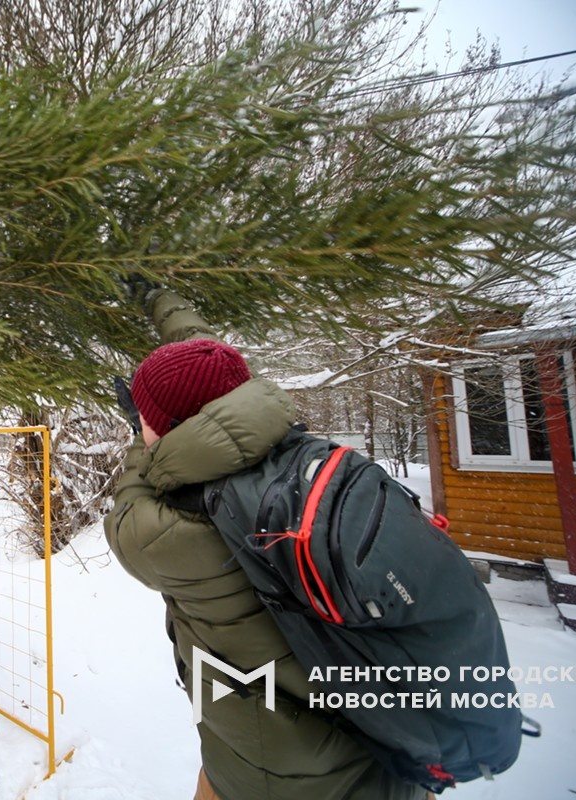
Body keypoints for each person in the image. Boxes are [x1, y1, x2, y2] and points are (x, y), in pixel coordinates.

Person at [103, 289, 426, 800]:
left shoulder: (172, 533)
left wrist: (140, 438)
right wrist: (160, 299)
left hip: (273, 781)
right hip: (397, 757)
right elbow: (207, 358)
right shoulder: (309, 462)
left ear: (163, 429)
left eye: (149, 420)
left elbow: (127, 511)